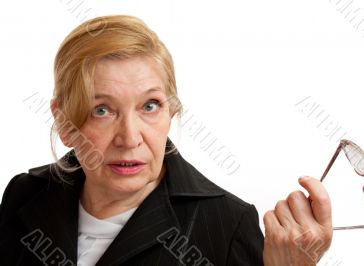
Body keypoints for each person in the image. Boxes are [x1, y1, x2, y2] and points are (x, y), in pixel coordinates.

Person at [0, 15, 332, 266]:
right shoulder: (23, 195)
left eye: (150, 106)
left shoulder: (226, 226)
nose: (130, 138)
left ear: (170, 112)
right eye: (101, 109)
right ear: (64, 121)